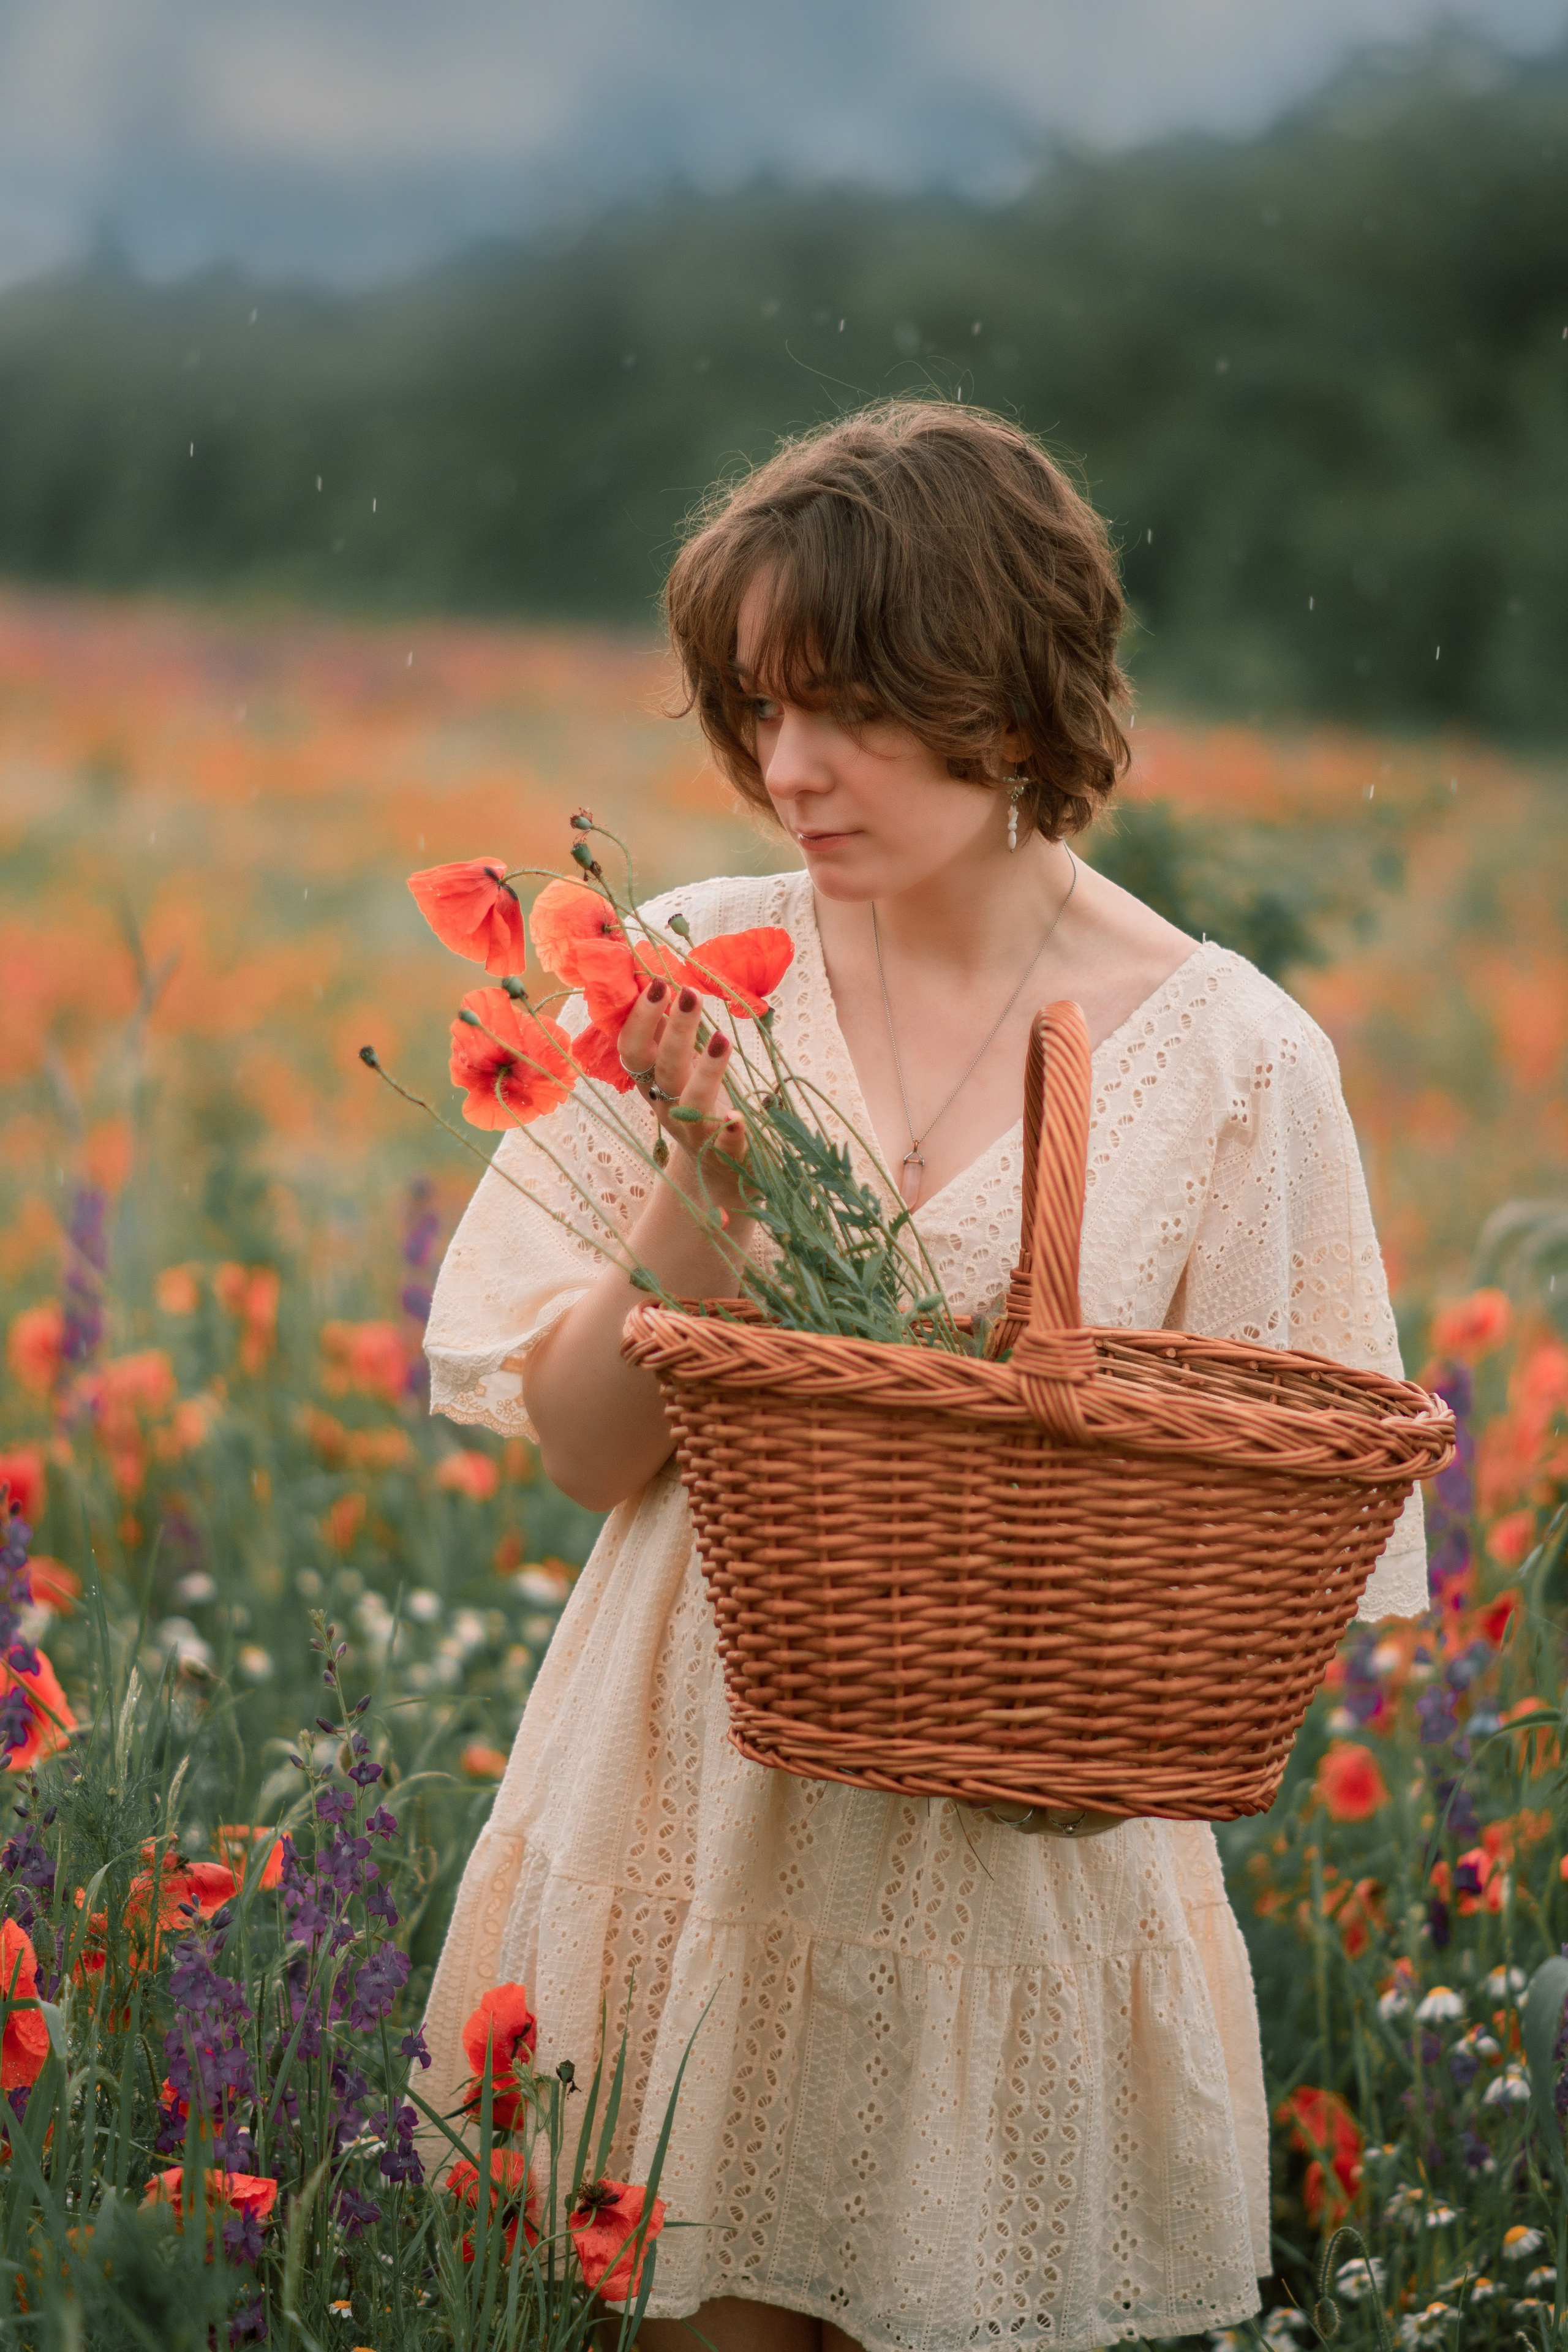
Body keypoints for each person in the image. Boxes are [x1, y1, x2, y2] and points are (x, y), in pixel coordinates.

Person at [420, 401, 1427, 2352]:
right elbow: (574, 1449)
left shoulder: (1234, 1063)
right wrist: (704, 1192)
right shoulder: (686, 966)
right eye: (756, 707)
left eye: (853, 709)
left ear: (1016, 696)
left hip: (1023, 1857)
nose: (790, 770)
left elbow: (1276, 1539)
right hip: (696, 1798)